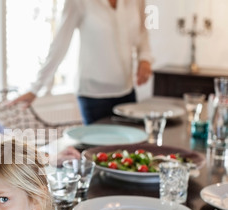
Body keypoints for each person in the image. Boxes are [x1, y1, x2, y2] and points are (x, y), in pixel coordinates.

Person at [11, 0, 153, 125]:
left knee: (132, 149)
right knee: (100, 152)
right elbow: (59, 45)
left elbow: (142, 32)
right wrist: (35, 88)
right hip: (94, 96)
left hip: (127, 91)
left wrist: (145, 59)